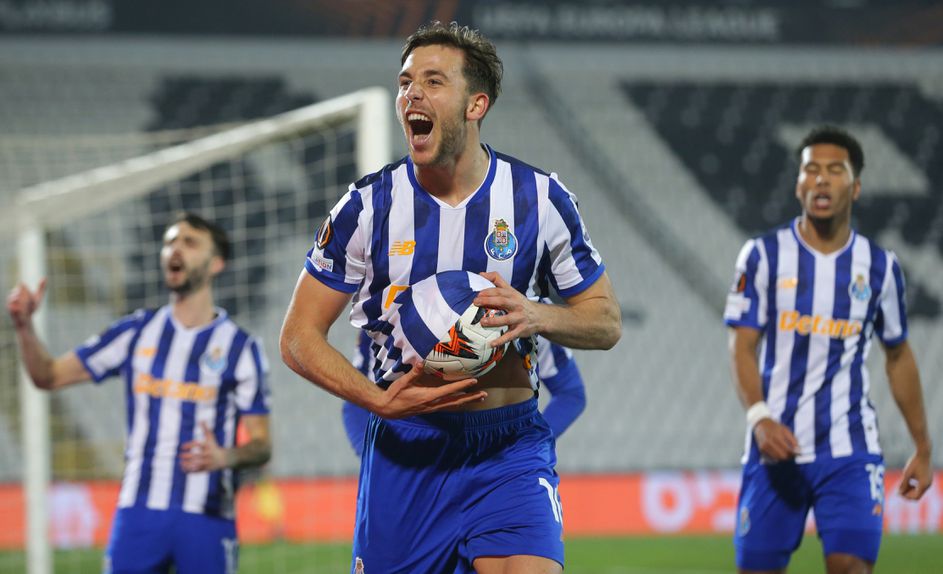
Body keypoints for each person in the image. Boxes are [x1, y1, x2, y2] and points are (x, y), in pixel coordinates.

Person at [280, 20, 620, 574]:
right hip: (407, 451)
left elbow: (605, 322)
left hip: (507, 447)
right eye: (405, 81)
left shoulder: (541, 198)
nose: (412, 92)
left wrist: (535, 314)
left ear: (475, 104)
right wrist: (377, 400)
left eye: (433, 81)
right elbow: (296, 338)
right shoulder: (365, 208)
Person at [6, 212, 272, 574]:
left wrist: (225, 457)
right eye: (169, 242)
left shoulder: (241, 348)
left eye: (189, 242)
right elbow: (47, 376)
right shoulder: (135, 333)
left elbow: (262, 445)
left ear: (216, 264)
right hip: (139, 512)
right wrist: (24, 327)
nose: (174, 249)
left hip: (208, 515)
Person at [724, 125, 933, 574]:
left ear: (855, 188)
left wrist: (922, 444)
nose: (821, 179)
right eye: (811, 170)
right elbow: (742, 346)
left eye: (834, 171)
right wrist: (759, 417)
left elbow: (898, 355)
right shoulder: (761, 256)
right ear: (798, 184)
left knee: (850, 566)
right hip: (774, 447)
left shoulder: (880, 268)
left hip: (850, 447)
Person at [342, 326, 587, 457]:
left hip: (499, 470)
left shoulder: (525, 308)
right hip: (414, 468)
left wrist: (528, 445)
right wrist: (377, 456)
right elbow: (356, 401)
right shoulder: (390, 313)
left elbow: (571, 393)